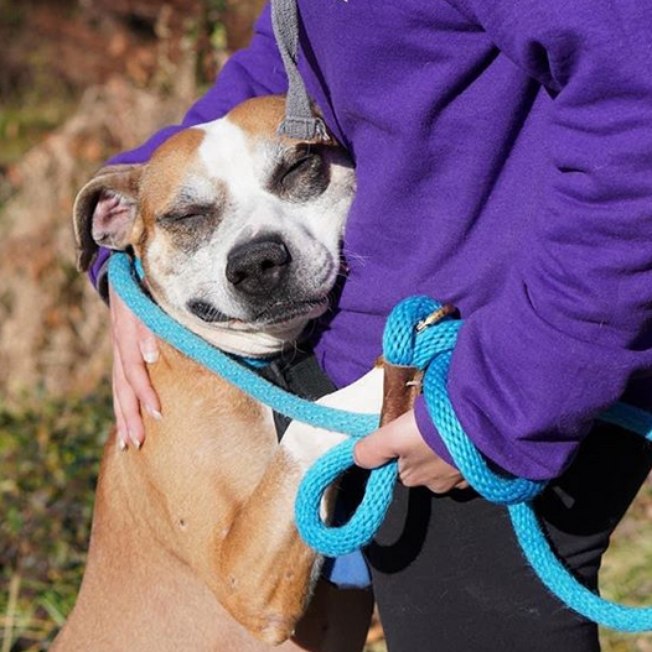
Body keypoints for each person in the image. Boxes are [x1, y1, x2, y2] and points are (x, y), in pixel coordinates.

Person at [90, 1, 652, 650]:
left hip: (502, 359)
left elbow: (632, 93)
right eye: (190, 219)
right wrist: (129, 224)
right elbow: (304, 61)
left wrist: (502, 395)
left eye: (297, 171)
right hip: (408, 371)